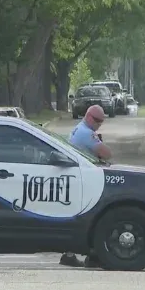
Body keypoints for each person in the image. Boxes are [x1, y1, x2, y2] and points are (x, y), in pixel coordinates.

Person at [59, 105, 113, 268]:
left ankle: (76, 254)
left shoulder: (79, 129)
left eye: (102, 122)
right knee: (92, 214)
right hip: (84, 179)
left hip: (80, 176)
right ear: (89, 117)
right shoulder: (86, 133)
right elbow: (106, 153)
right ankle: (92, 255)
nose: (99, 124)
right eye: (97, 121)